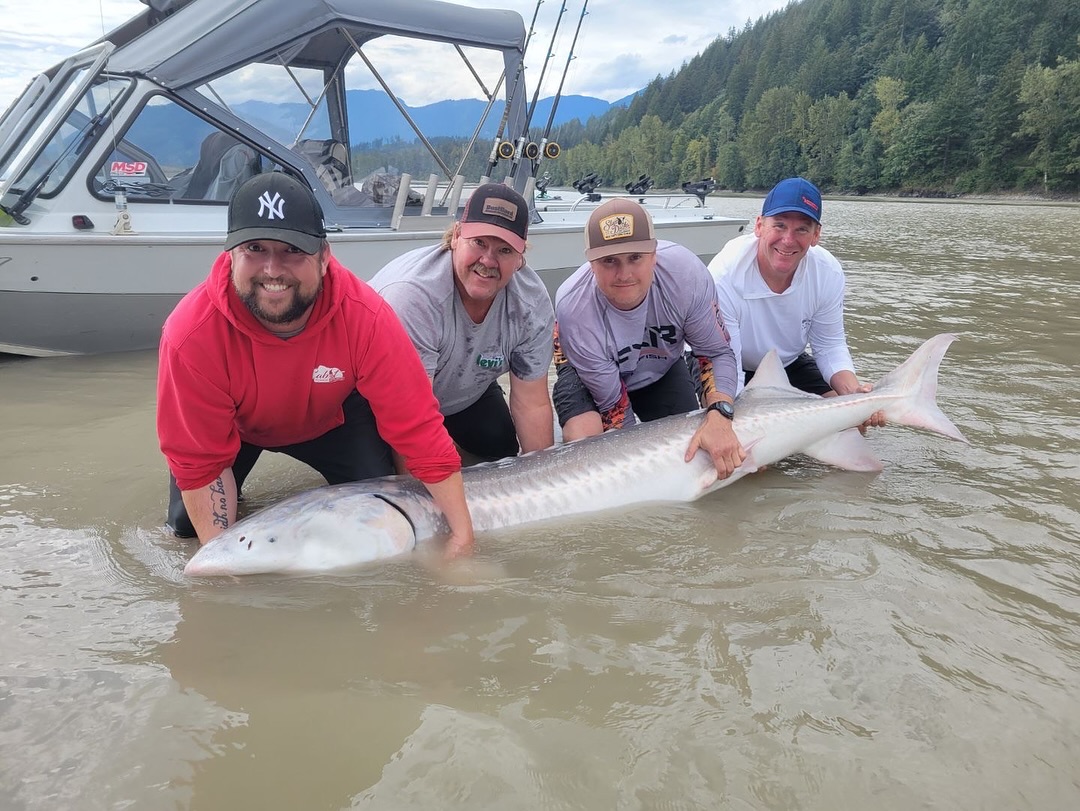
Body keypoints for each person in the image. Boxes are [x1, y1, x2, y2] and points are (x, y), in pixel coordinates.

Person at [156, 171, 474, 558]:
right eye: (255, 248)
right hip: (236, 429)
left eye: (293, 250)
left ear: (324, 257)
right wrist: (223, 563)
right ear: (230, 254)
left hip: (332, 419)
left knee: (381, 519)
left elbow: (419, 431)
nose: (273, 269)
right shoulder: (191, 333)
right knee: (187, 530)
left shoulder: (366, 316)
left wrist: (461, 536)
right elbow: (199, 462)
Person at [552, 198, 744, 480]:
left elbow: (715, 353)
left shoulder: (686, 275)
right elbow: (614, 408)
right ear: (591, 263)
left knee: (696, 452)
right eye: (609, 261)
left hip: (659, 367)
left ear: (654, 254)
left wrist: (720, 413)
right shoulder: (572, 307)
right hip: (589, 378)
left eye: (635, 258)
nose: (624, 274)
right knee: (589, 451)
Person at [370, 182, 555, 462]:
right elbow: (408, 416)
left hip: (459, 390)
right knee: (378, 477)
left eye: (505, 251)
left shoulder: (531, 303)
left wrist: (545, 480)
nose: (488, 260)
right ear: (456, 236)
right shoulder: (414, 296)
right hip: (377, 402)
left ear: (520, 258)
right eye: (479, 242)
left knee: (501, 448)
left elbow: (532, 403)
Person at [709, 177, 883, 428]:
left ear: (816, 235)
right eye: (779, 226)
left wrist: (853, 394)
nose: (788, 240)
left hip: (784, 364)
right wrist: (735, 426)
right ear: (759, 226)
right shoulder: (724, 275)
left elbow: (829, 346)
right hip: (722, 364)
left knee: (850, 422)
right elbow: (727, 361)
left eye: (802, 229)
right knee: (740, 442)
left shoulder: (827, 272)